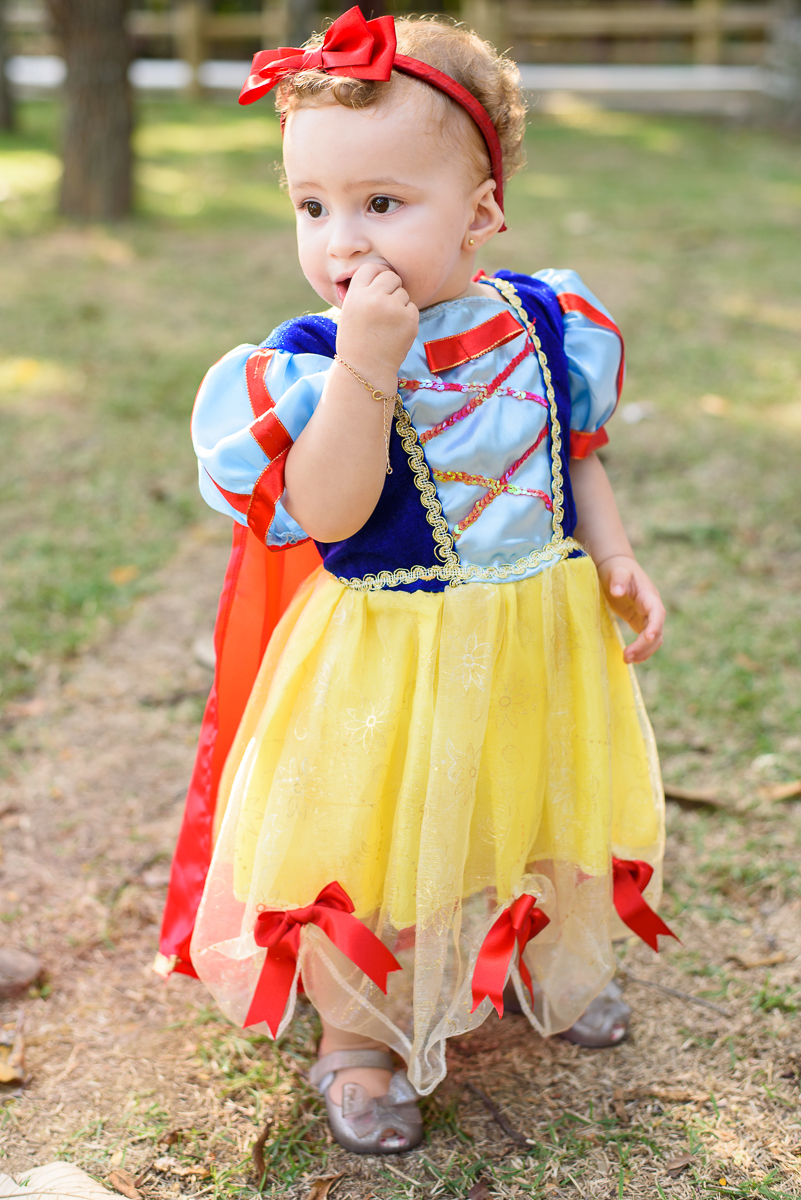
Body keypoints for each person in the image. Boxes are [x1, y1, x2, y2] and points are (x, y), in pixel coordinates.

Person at [157, 7, 676, 1156]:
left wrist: (616, 550)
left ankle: (545, 951)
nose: (342, 240)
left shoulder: (544, 322)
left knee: (533, 800)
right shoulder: (310, 358)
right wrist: (366, 371)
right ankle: (357, 1037)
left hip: (535, 628)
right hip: (392, 649)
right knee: (375, 847)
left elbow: (573, 450)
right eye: (312, 207)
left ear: (481, 211)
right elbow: (329, 510)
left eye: (381, 204)